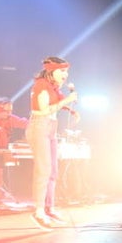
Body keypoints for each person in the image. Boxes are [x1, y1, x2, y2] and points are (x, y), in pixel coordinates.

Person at [27, 56, 78, 227]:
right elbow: (42, 111)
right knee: (44, 170)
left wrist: (70, 110)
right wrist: (67, 101)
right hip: (40, 126)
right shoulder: (41, 85)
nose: (66, 74)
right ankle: (39, 211)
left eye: (66, 71)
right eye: (62, 71)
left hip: (51, 127)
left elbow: (55, 103)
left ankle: (50, 208)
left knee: (53, 171)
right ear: (52, 71)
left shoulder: (53, 87)